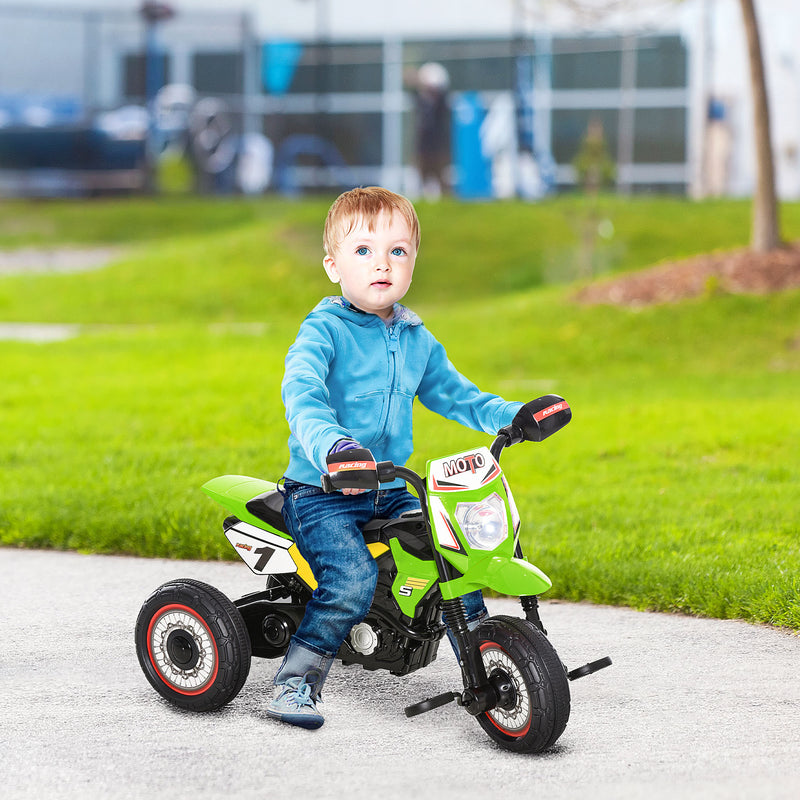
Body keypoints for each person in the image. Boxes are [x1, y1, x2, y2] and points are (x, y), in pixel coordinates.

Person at [270, 186, 524, 729]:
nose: (381, 264)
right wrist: (334, 446)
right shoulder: (323, 331)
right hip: (324, 492)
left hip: (389, 488)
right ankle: (297, 681)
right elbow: (302, 393)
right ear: (333, 265)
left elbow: (459, 395)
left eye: (397, 251)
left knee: (452, 556)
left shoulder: (415, 338)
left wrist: (510, 416)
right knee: (352, 579)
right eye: (363, 251)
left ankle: (489, 666)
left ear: (413, 262)